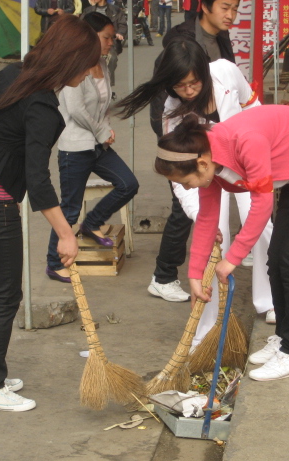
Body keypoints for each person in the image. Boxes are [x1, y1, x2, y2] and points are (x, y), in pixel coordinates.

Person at [0, 15, 100, 411]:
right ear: (70, 60)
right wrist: (66, 234)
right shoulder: (42, 108)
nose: (89, 73)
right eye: (87, 64)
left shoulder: (14, 74)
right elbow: (37, 180)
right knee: (4, 294)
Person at [154, 106, 289, 381]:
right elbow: (206, 218)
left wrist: (232, 259)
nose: (189, 188)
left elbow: (261, 206)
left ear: (201, 164)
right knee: (275, 257)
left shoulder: (246, 142)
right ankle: (285, 339)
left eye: (187, 182)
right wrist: (194, 275)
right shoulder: (210, 161)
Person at [117, 38, 274, 345]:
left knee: (261, 225)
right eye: (179, 85)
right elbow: (180, 177)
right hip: (206, 176)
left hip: (245, 161)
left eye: (193, 82)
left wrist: (258, 149)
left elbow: (253, 106)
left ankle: (269, 300)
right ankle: (209, 328)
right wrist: (200, 215)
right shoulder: (173, 113)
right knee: (215, 238)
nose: (188, 90)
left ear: (204, 71)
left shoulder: (227, 72)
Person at [135, 0, 239, 303]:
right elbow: (164, 110)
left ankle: (175, 273)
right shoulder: (180, 44)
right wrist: (178, 157)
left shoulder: (222, 51)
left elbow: (243, 101)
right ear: (204, 6)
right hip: (186, 143)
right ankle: (164, 274)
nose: (230, 14)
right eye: (225, 6)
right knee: (186, 207)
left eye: (235, 8)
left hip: (215, 146)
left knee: (207, 212)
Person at [45, 12, 138, 283]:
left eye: (111, 37)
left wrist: (105, 129)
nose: (111, 42)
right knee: (69, 209)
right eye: (106, 37)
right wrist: (100, 131)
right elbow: (75, 109)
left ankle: (92, 223)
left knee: (128, 183)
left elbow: (102, 104)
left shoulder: (103, 65)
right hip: (75, 147)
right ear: (89, 36)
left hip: (98, 146)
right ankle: (53, 263)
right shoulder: (75, 65)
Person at [83, 0, 126, 88]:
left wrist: (119, 33)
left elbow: (123, 25)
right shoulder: (88, 10)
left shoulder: (116, 10)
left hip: (111, 42)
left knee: (112, 58)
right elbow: (81, 26)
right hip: (92, 43)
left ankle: (108, 84)